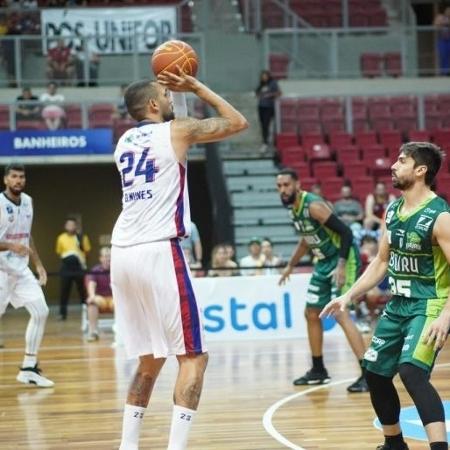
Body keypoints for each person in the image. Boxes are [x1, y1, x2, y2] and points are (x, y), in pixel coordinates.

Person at [110, 71, 248, 450]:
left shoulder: (123, 142)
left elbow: (173, 136)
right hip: (158, 250)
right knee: (194, 359)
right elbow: (238, 122)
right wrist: (197, 87)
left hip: (122, 252)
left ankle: (128, 446)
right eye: (165, 94)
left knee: (149, 360)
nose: (171, 97)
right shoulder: (177, 131)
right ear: (153, 104)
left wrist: (179, 95)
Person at [321, 142, 450, 450]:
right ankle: (394, 443)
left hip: (429, 304)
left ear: (421, 171)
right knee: (375, 373)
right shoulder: (392, 210)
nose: (393, 165)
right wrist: (348, 295)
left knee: (411, 372)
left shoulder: (440, 216)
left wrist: (446, 316)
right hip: (398, 305)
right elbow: (381, 261)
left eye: (401, 161)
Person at [276, 167, 368, 392]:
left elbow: (346, 233)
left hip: (342, 259)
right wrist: (290, 265)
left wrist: (342, 266)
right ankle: (318, 369)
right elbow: (306, 241)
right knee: (311, 313)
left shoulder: (313, 205)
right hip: (324, 262)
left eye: (286, 185)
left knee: (340, 313)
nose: (283, 190)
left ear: (297, 185)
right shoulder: (293, 210)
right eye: (279, 186)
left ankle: (369, 374)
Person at [0, 163, 53, 387]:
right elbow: (16, 243)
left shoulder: (28, 201)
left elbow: (27, 237)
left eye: (21, 177)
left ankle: (29, 368)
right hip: (1, 269)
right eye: (14, 176)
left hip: (20, 270)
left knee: (41, 311)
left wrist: (38, 265)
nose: (18, 180)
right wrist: (11, 246)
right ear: (6, 180)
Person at [55, 217, 91, 320]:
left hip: (79, 267)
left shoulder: (82, 237)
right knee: (64, 291)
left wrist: (81, 248)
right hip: (66, 268)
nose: (71, 227)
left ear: (76, 226)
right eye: (69, 225)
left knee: (83, 291)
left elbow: (87, 253)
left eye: (73, 225)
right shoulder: (61, 238)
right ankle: (62, 314)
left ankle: (87, 313)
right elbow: (59, 253)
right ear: (65, 226)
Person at [85, 246, 112, 342]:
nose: (107, 258)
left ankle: (122, 333)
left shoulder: (116, 269)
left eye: (109, 256)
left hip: (114, 300)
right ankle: (93, 332)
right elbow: (91, 284)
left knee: (122, 303)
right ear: (100, 258)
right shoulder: (95, 270)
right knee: (92, 303)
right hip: (101, 300)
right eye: (105, 256)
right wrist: (92, 296)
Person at [255, 70, 281, 152]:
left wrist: (268, 95)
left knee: (267, 124)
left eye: (265, 76)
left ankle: (268, 142)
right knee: (263, 125)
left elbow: (278, 93)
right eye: (262, 76)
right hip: (261, 106)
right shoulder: (262, 85)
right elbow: (257, 93)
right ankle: (265, 142)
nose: (264, 78)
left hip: (269, 107)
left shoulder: (273, 83)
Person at [434, 4, 450, 76]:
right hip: (442, 40)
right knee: (443, 55)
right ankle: (444, 72)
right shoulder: (440, 17)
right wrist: (443, 23)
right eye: (448, 10)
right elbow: (436, 24)